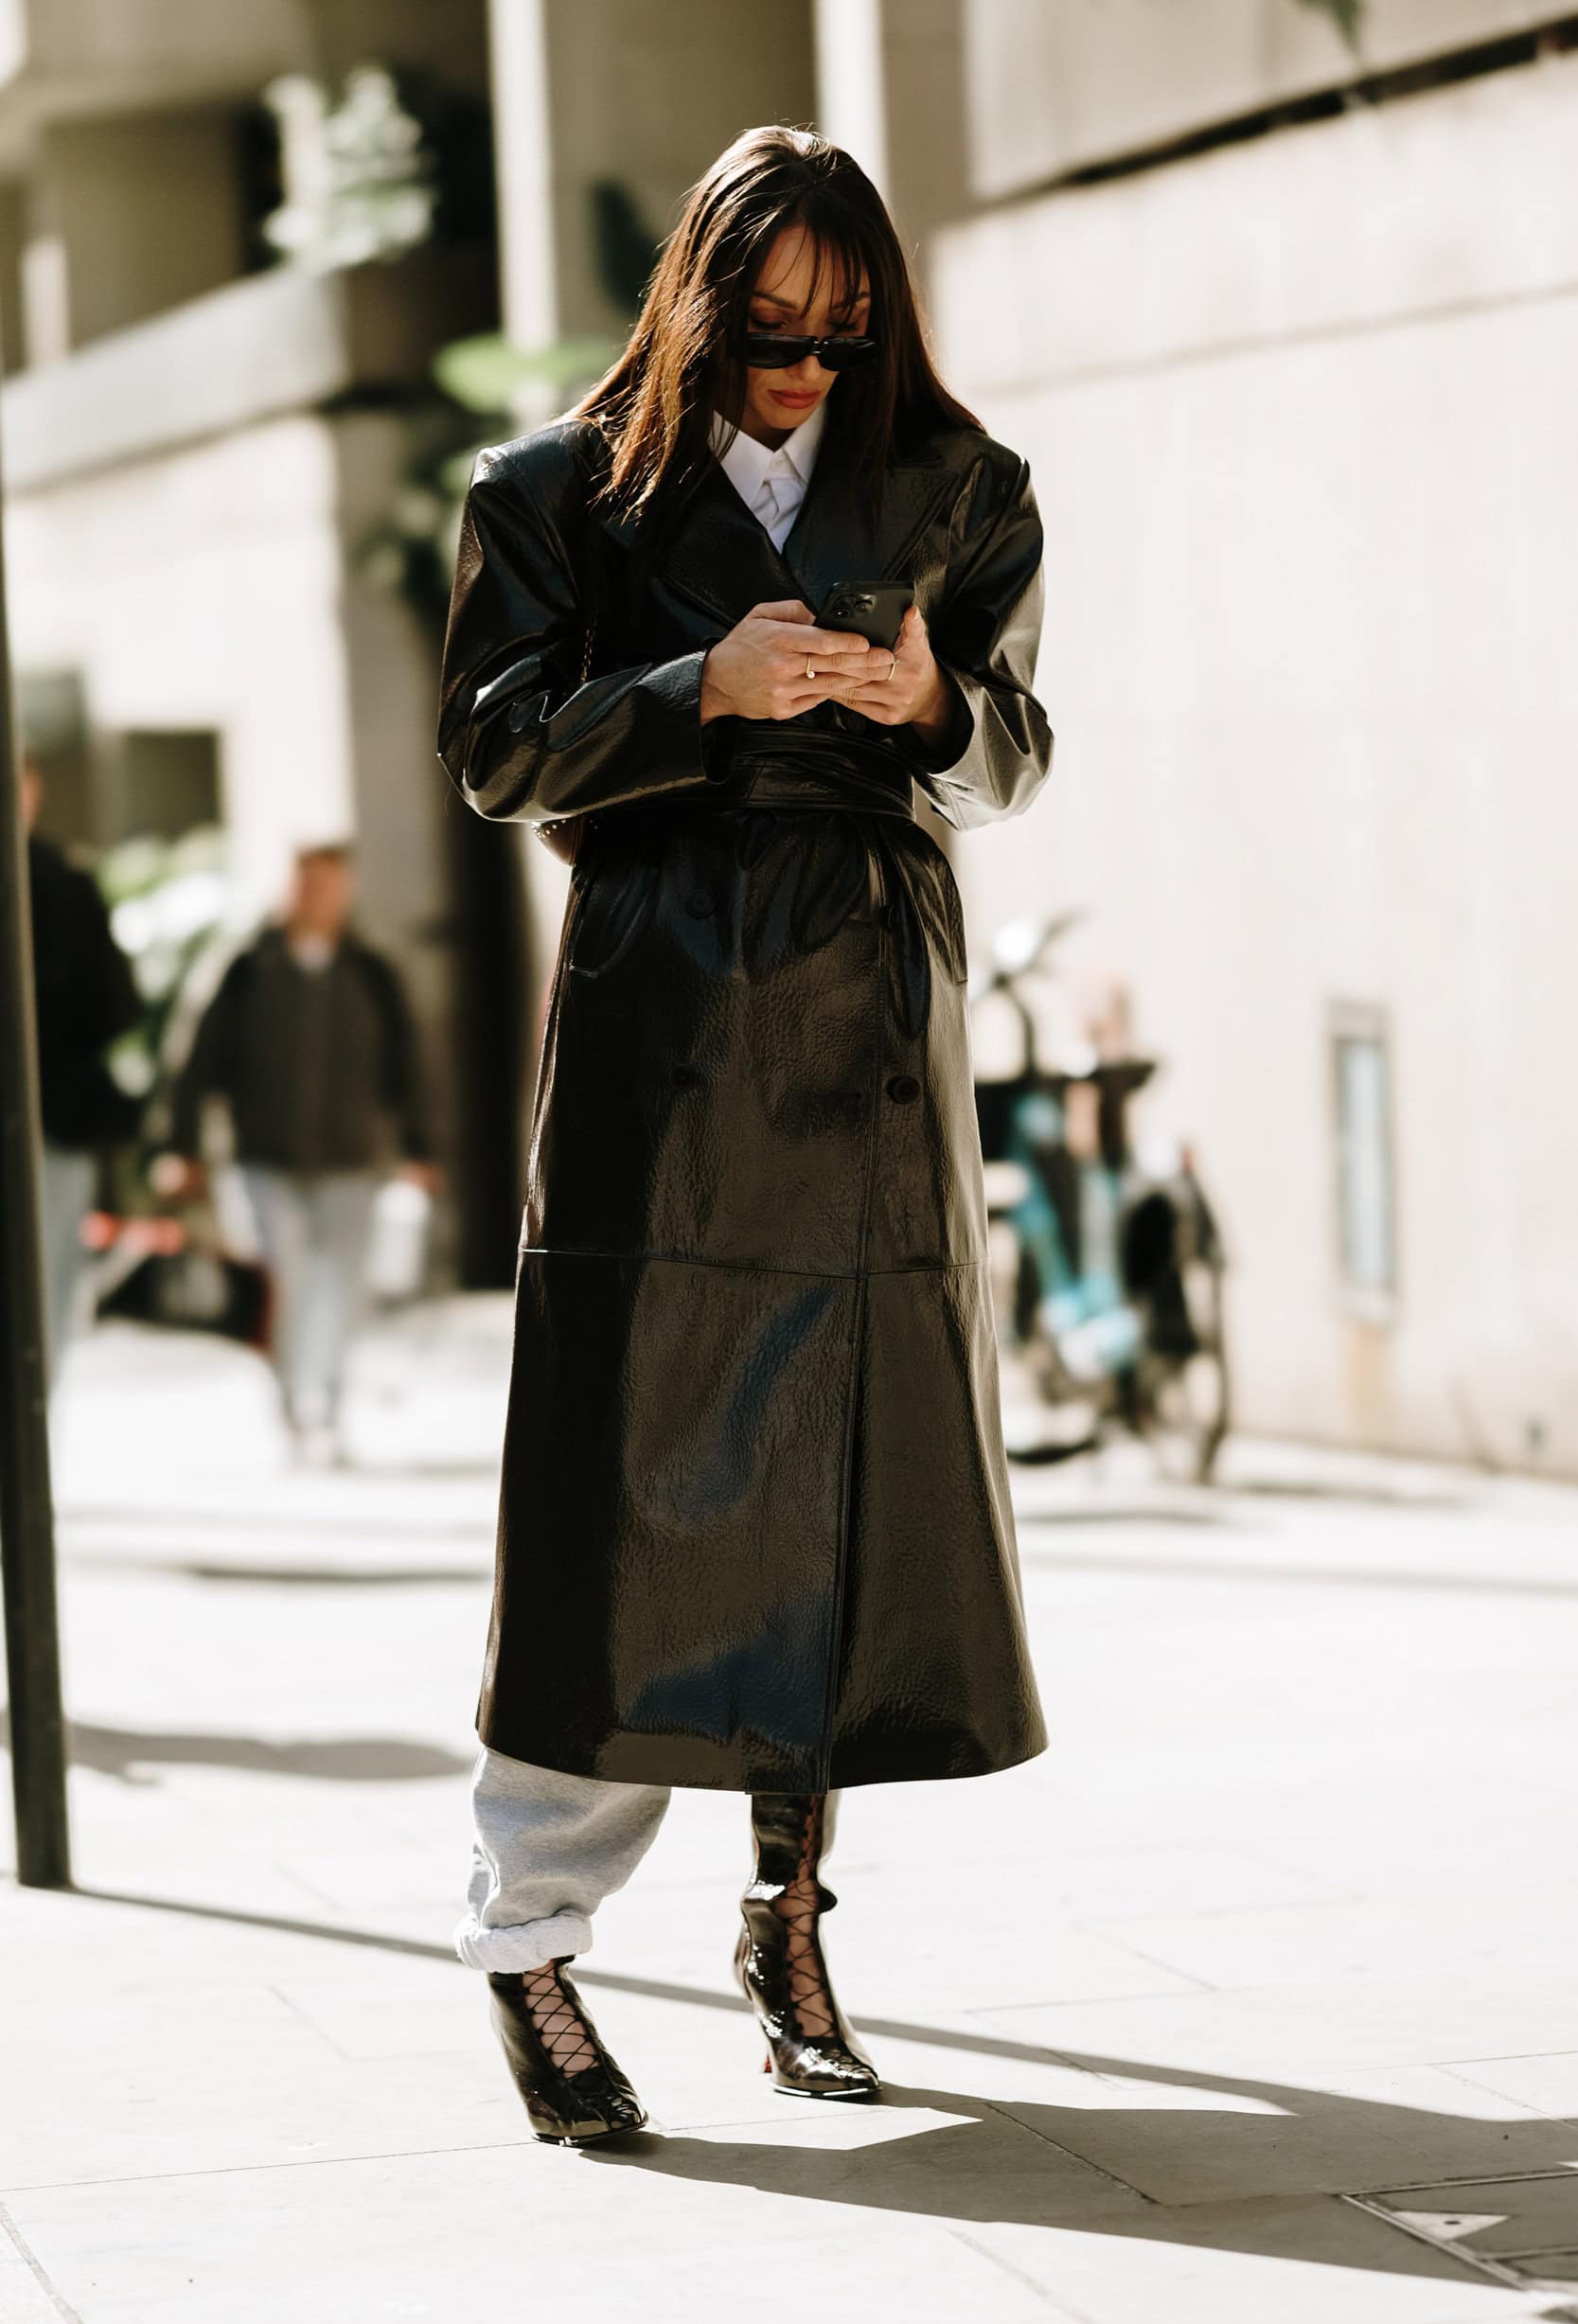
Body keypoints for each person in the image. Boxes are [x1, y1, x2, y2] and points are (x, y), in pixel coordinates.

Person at [437, 125, 1054, 2146]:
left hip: (870, 1018)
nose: (801, 370)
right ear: (697, 308)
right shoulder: (551, 489)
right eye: (767, 332)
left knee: (849, 1476)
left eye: (838, 333)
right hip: (664, 1024)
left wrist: (929, 703)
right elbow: (493, 747)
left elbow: (1015, 747)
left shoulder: (958, 484)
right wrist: (694, 684)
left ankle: (789, 1918)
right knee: (620, 1487)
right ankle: (529, 1938)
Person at [163, 843, 434, 1463]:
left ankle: (331, 1410)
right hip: (265, 1158)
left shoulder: (371, 971)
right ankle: (290, 1407)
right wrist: (181, 1146)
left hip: (352, 1160)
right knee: (284, 1283)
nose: (316, 897)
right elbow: (196, 1061)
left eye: (328, 885)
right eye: (306, 883)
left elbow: (408, 1066)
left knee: (343, 1289)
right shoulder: (245, 969)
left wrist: (419, 1148)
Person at [22, 753, 144, 1380]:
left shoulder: (66, 884)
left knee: (53, 1273)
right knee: (49, 1276)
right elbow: (116, 1008)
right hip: (58, 1108)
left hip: (58, 1113)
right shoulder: (67, 881)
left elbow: (114, 1005)